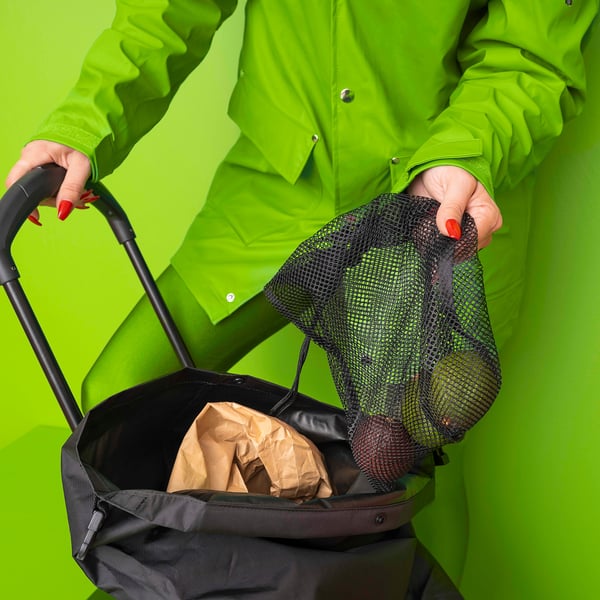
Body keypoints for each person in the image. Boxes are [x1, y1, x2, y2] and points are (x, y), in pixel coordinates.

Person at [5, 0, 599, 588]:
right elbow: (167, 8)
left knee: (414, 458)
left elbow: (533, 48)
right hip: (283, 182)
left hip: (440, 202)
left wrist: (467, 151)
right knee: (119, 399)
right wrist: (85, 122)